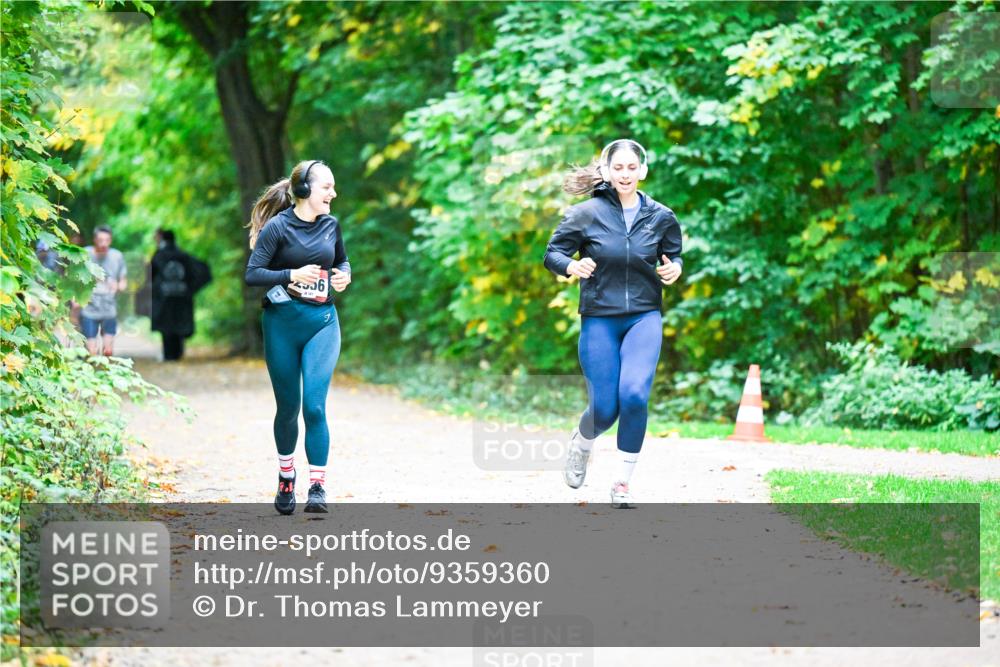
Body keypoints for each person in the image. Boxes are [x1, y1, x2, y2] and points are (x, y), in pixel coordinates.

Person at [543, 139, 683, 508]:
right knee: (605, 409)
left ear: (643, 171)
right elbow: (553, 253)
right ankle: (582, 442)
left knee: (635, 395)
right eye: (617, 168)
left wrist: (674, 269)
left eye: (631, 168)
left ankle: (622, 483)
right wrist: (572, 266)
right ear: (606, 171)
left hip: (643, 316)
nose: (625, 174)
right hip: (599, 319)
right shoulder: (584, 214)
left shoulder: (662, 216)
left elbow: (674, 255)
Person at [245, 160, 351, 515]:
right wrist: (291, 273)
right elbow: (253, 273)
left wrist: (343, 276)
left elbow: (343, 262)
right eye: (327, 188)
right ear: (305, 191)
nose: (333, 194)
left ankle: (318, 486)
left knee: (315, 406)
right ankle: (286, 475)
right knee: (289, 408)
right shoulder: (277, 228)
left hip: (322, 322)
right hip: (281, 325)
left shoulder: (331, 225)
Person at [147, 229, 212, 361]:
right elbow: (200, 272)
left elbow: (149, 276)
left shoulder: (159, 256)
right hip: (182, 298)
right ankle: (178, 354)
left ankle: (168, 355)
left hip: (164, 298)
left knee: (166, 326)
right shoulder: (183, 255)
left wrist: (156, 290)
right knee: (179, 325)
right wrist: (190, 289)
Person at [81, 226, 127, 356]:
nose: (104, 244)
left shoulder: (117, 256)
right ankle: (91, 375)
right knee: (92, 352)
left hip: (109, 309)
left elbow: (123, 282)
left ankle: (106, 374)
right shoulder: (85, 254)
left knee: (108, 351)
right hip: (89, 308)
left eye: (107, 240)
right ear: (94, 240)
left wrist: (118, 286)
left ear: (111, 240)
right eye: (100, 240)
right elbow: (74, 278)